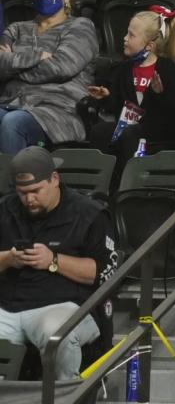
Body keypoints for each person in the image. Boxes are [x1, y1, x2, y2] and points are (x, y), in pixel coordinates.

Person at [0, 147, 118, 380]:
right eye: (22, 192)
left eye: (35, 191)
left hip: (60, 305)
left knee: (57, 333)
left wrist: (53, 260)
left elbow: (103, 272)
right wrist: (9, 259)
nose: (29, 199)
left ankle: (66, 397)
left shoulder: (88, 213)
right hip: (7, 306)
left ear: (54, 179)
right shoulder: (5, 209)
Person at [0, 0, 99, 154]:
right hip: (12, 103)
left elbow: (61, 67)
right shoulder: (16, 29)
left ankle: (11, 184)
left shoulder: (81, 27)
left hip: (58, 111)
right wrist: (38, 57)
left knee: (13, 122)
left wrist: (14, 63)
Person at [86, 6, 175, 167]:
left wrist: (158, 94)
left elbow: (174, 109)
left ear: (150, 46)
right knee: (100, 131)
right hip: (127, 127)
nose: (124, 38)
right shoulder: (123, 69)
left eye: (131, 35)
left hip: (157, 133)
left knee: (131, 132)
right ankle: (103, 181)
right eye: (126, 33)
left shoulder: (166, 68)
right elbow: (116, 106)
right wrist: (106, 96)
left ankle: (131, 181)